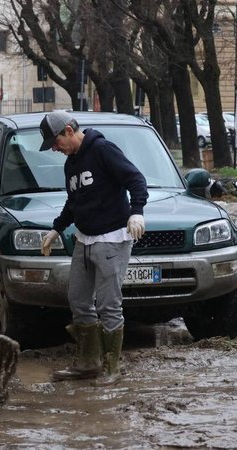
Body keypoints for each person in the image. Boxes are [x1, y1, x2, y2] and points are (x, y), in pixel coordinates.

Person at [39, 110, 148, 385]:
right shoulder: (71, 164)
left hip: (112, 239)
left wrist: (136, 212)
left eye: (55, 142)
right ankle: (89, 363)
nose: (54, 149)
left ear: (68, 130)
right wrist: (56, 229)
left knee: (109, 305)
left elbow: (136, 179)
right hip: (84, 240)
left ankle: (112, 368)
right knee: (78, 300)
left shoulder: (102, 150)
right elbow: (73, 202)